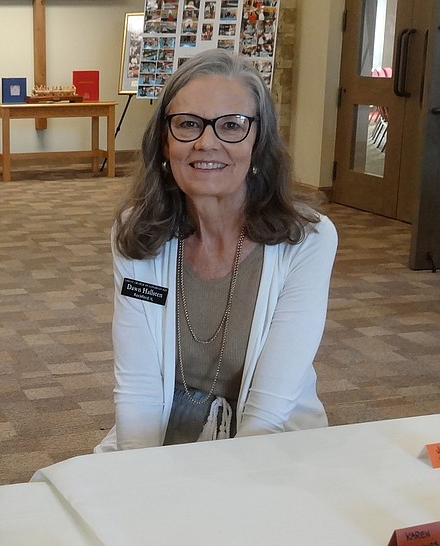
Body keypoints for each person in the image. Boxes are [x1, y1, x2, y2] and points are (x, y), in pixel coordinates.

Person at [97, 49, 337, 452]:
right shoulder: (138, 232)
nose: (207, 143)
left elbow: (269, 408)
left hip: (268, 438)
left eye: (231, 125)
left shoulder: (308, 240)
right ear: (164, 140)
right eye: (188, 124)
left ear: (259, 142)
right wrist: (136, 478)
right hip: (168, 426)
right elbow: (137, 386)